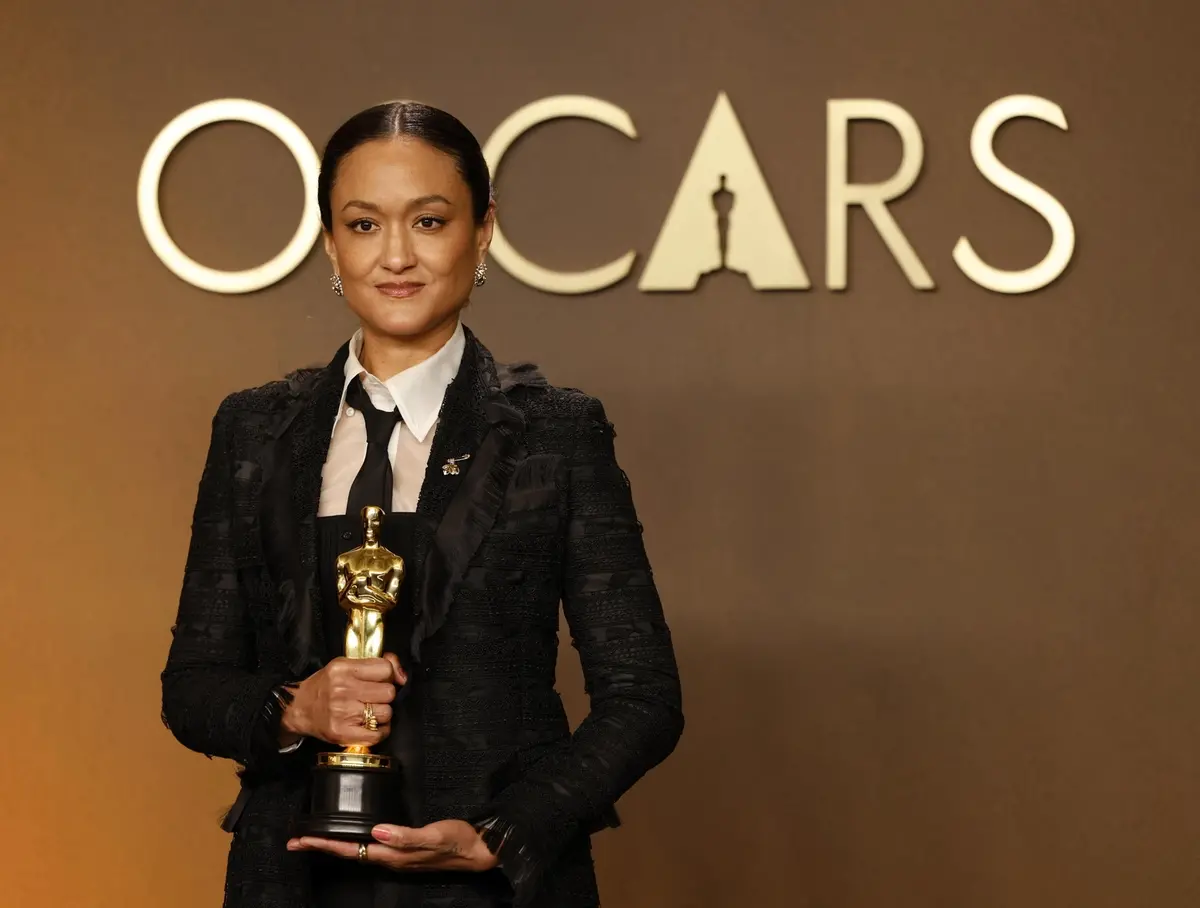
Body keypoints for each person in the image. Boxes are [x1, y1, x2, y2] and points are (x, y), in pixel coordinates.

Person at [160, 100, 684, 908]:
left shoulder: (558, 433)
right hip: (291, 880)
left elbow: (644, 696)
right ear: (331, 243)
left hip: (490, 887)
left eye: (430, 221)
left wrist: (504, 833)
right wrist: (292, 709)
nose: (395, 256)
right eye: (364, 225)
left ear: (483, 233)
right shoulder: (256, 429)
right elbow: (193, 686)